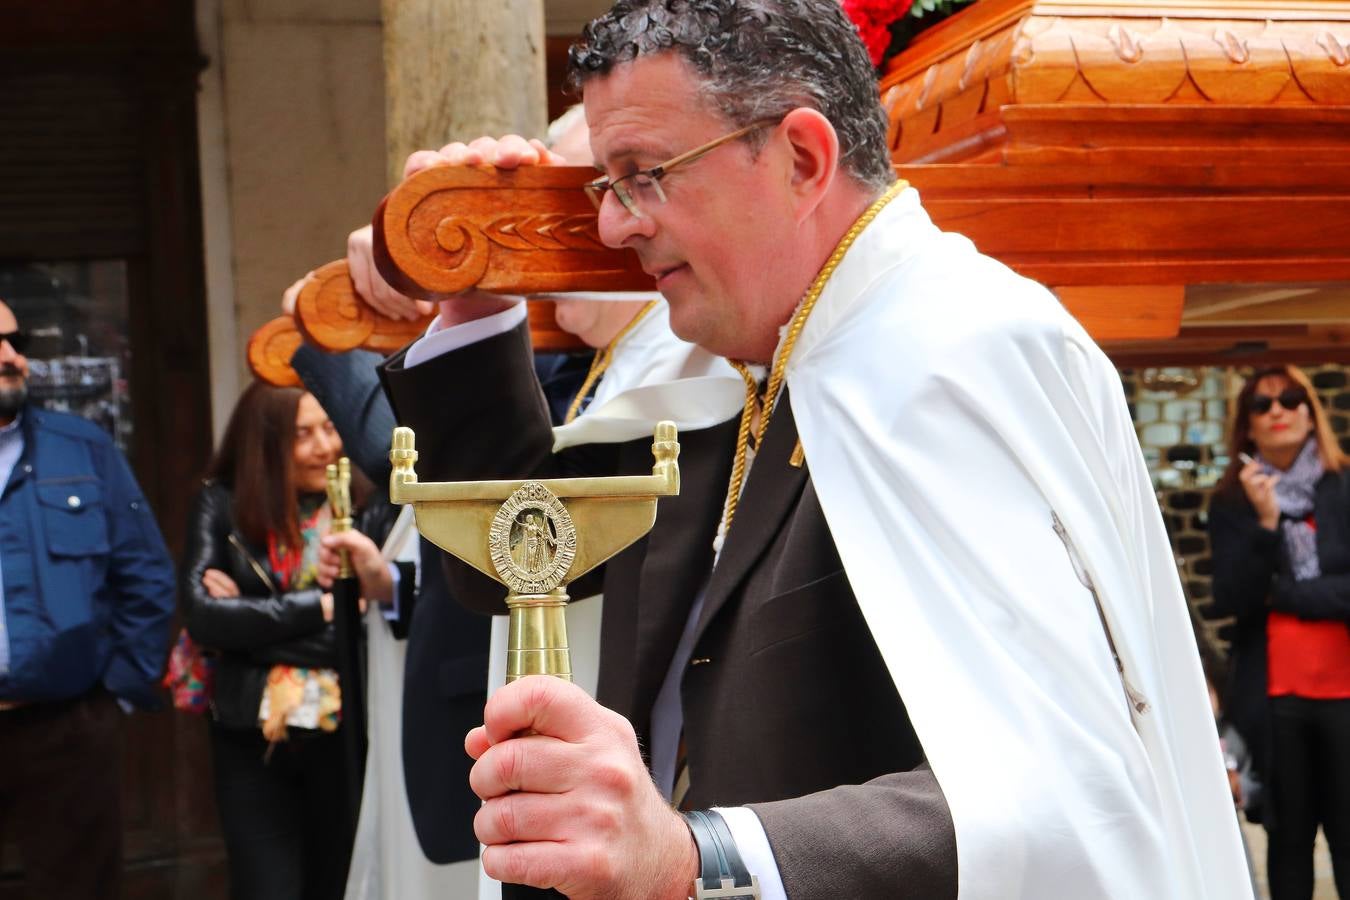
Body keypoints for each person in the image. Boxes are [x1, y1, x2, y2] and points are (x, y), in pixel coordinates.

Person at [372, 3, 1250, 895]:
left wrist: (695, 854)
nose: (612, 228)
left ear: (801, 158)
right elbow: (519, 561)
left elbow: (1066, 799)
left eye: (644, 175)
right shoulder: (750, 357)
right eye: (606, 184)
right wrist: (475, 312)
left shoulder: (954, 354)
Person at [179, 381, 413, 900]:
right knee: (268, 886)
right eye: (302, 434)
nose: (324, 447)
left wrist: (245, 622)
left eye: (330, 428)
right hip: (249, 736)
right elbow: (202, 619)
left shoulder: (369, 506)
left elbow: (356, 639)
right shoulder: (221, 505)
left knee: (344, 881)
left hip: (347, 733)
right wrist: (324, 606)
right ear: (263, 444)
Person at [0, 297, 175, 899]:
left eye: (15, 342)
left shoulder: (81, 448)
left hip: (64, 727)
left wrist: (114, 695)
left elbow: (146, 575)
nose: (9, 357)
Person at [1207, 364, 1350, 900]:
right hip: (1275, 699)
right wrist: (1266, 525)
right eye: (1262, 405)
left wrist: (1284, 595)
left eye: (1290, 398)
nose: (1279, 411)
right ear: (1247, 426)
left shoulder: (1344, 486)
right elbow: (1234, 600)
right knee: (1288, 841)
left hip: (1346, 696)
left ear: (1311, 413)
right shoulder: (1231, 503)